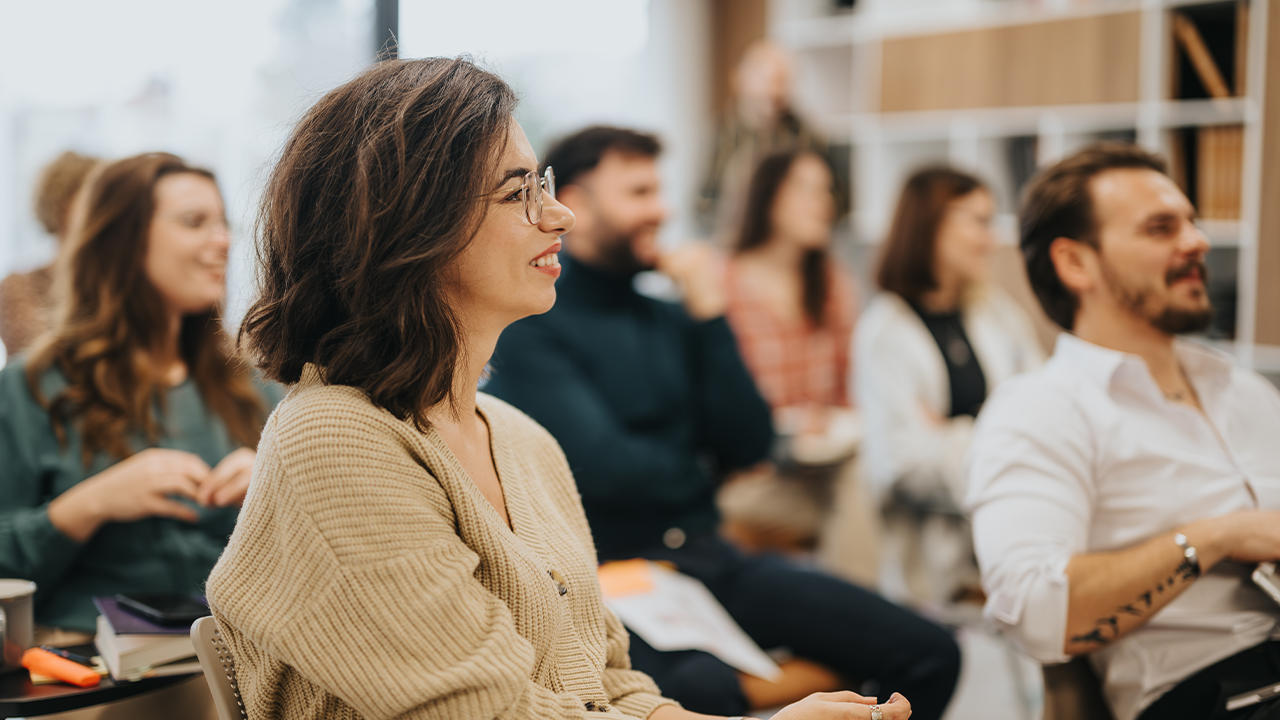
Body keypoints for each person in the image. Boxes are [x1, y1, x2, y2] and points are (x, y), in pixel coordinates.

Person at [206, 58, 912, 720]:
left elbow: (611, 688)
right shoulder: (336, 438)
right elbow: (486, 710)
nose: (559, 216)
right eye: (520, 194)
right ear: (413, 228)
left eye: (541, 185)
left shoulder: (520, 438)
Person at [485, 125, 958, 719]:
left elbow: (751, 441)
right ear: (576, 201)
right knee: (702, 690)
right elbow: (601, 469)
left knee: (929, 651)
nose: (663, 209)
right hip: (615, 573)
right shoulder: (534, 322)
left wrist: (711, 316)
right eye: (639, 192)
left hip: (709, 555)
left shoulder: (673, 316)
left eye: (660, 189)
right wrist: (702, 470)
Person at [967, 143, 1280, 720]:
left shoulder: (1248, 393)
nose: (1197, 242)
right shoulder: (1040, 409)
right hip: (1217, 695)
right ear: (1075, 264)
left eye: (1191, 223)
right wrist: (1217, 537)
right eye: (1161, 228)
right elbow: (1033, 612)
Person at [0, 152, 281, 637]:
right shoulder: (34, 388)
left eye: (223, 223)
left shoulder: (251, 383)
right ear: (123, 241)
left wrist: (276, 492)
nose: (223, 242)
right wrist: (91, 504)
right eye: (195, 223)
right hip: (90, 679)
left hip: (236, 669)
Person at [856, 167, 1044, 606]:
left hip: (1012, 520)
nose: (991, 238)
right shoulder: (885, 331)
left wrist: (951, 434)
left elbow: (1042, 411)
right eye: (977, 222)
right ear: (931, 224)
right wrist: (1001, 440)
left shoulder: (995, 311)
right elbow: (902, 465)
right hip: (936, 547)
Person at [719, 148, 874, 583]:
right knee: (862, 505)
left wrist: (831, 419)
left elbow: (853, 388)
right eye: (805, 189)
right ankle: (868, 623)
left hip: (825, 466)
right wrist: (785, 427)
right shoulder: (721, 286)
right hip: (751, 476)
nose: (822, 203)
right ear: (767, 198)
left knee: (863, 481)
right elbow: (714, 406)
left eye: (826, 191)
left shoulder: (832, 283)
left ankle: (860, 622)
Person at [0, 151, 98, 355]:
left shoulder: (108, 285)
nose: (102, 208)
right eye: (92, 196)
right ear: (62, 205)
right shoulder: (17, 286)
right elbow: (38, 356)